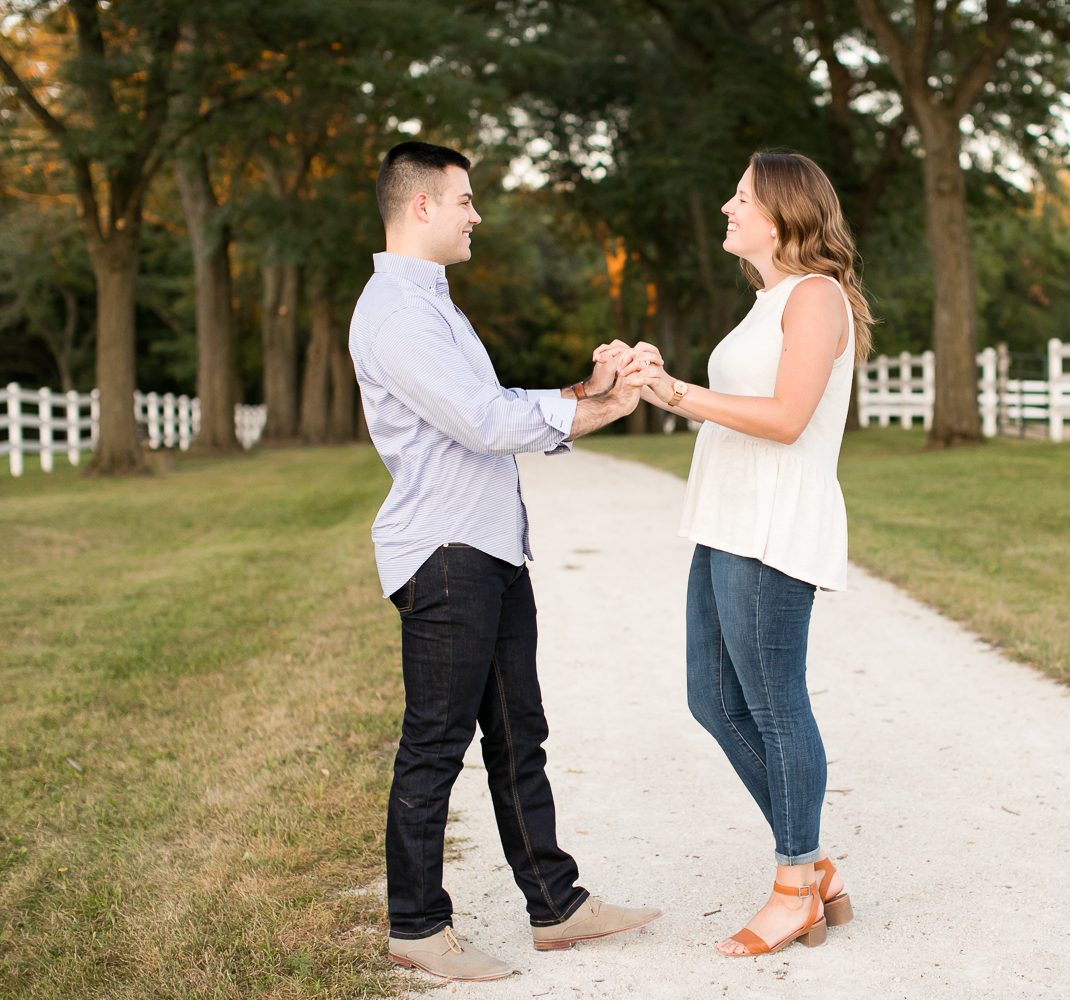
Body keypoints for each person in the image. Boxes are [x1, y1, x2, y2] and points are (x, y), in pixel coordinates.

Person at [349, 141, 663, 982]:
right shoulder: (397, 313)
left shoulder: (434, 307)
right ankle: (417, 926)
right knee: (435, 745)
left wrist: (582, 391)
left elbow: (491, 406)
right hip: (446, 555)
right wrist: (605, 409)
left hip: (488, 548)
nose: (475, 214)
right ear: (421, 207)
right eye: (464, 199)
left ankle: (555, 906)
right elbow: (485, 426)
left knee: (517, 736)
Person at [621, 151, 873, 957]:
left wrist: (676, 395)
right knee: (713, 699)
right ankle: (816, 867)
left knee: (772, 702)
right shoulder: (768, 302)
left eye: (740, 197)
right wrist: (664, 381)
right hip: (725, 520)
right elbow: (742, 403)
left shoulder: (816, 297)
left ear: (783, 212)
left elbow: (788, 417)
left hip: (772, 525)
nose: (727, 207)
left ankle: (795, 882)